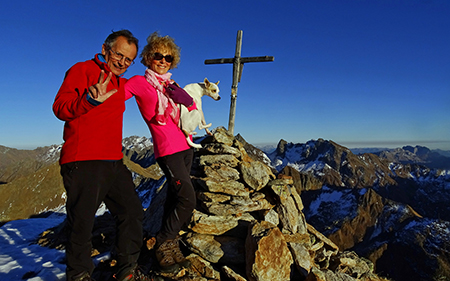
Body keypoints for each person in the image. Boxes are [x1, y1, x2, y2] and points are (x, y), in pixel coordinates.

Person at [53, 30, 150, 281]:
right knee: (82, 222)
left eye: (129, 59)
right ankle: (79, 275)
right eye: (119, 54)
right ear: (105, 50)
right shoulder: (82, 70)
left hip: (114, 160)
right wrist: (88, 100)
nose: (123, 62)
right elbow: (60, 107)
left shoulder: (121, 83)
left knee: (131, 211)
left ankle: (127, 269)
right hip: (83, 159)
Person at [124, 32, 196, 274]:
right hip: (167, 150)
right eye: (158, 55)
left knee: (175, 198)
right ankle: (163, 241)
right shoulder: (138, 82)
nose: (163, 60)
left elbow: (192, 110)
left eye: (168, 57)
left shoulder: (170, 84)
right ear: (147, 57)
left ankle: (169, 247)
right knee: (188, 198)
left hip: (186, 146)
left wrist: (186, 99)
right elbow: (113, 97)